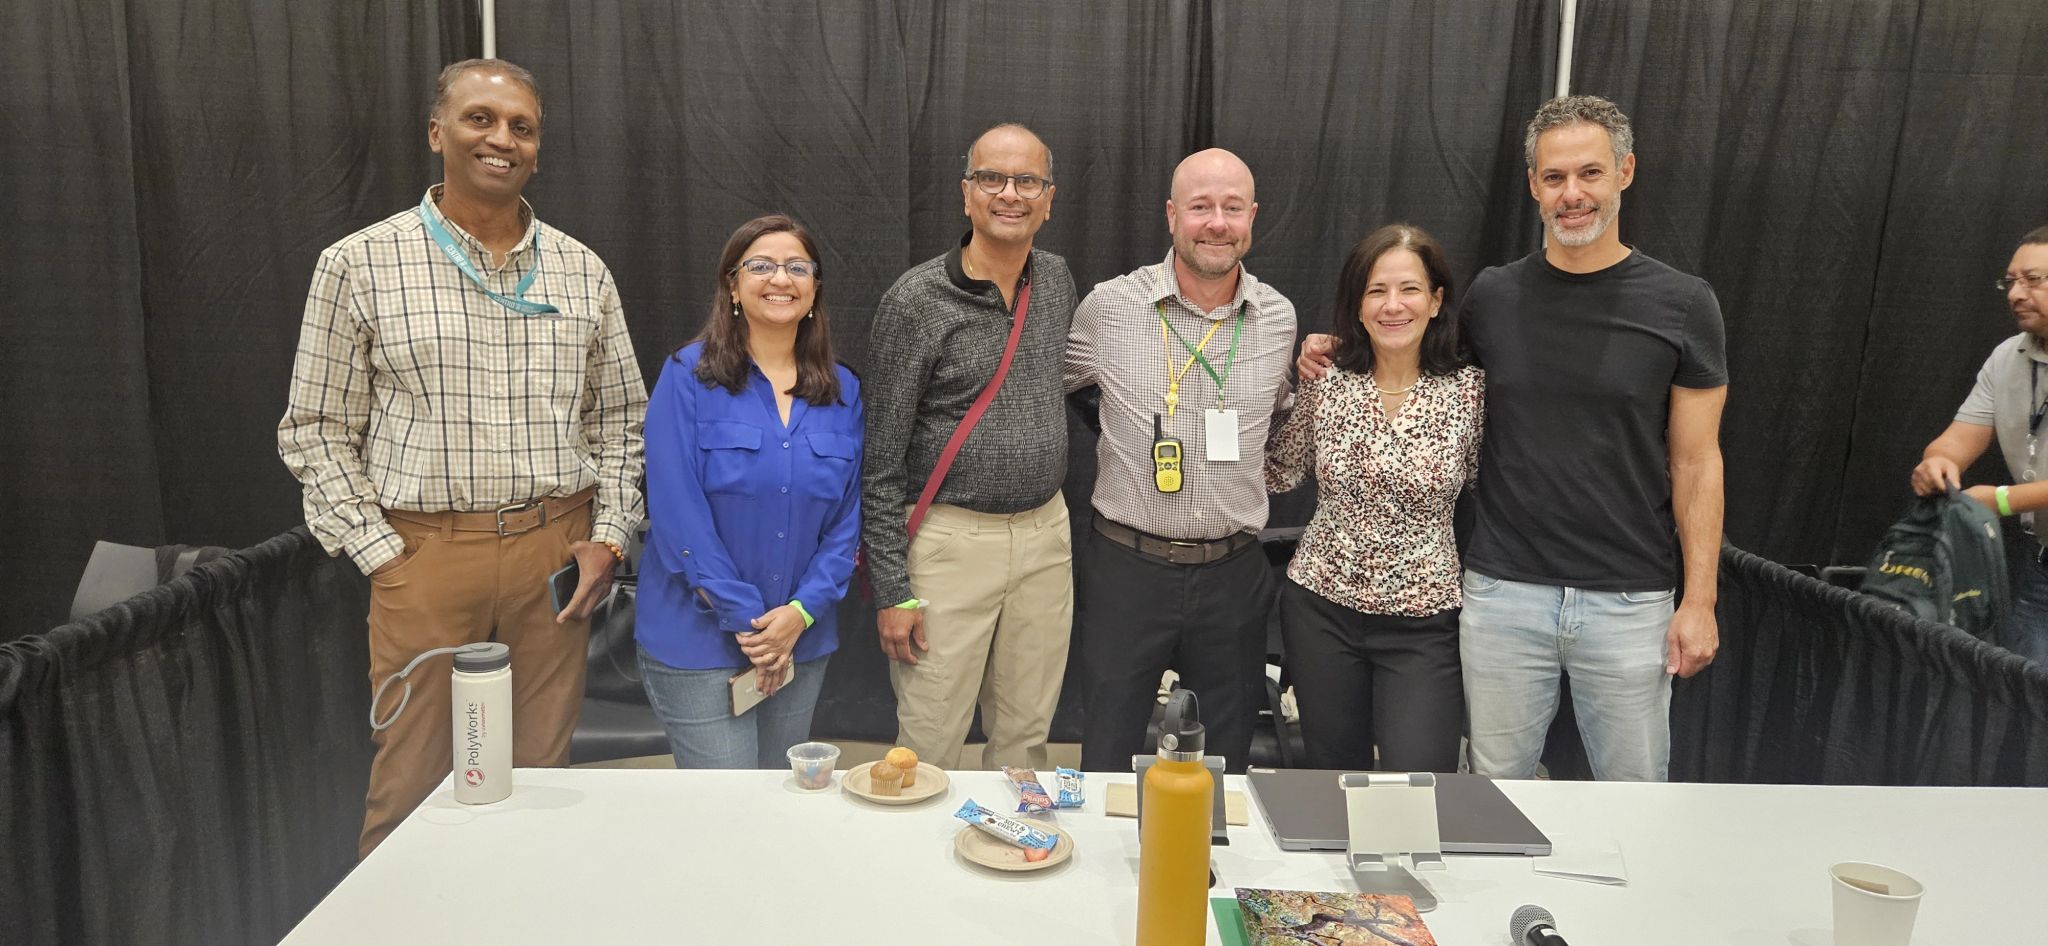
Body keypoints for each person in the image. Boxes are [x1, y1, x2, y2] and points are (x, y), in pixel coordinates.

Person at [277, 59, 646, 855]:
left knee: (540, 774)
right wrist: (383, 555)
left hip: (559, 553)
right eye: (480, 119)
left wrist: (610, 538)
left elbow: (623, 422)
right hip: (425, 555)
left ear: (538, 150)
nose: (501, 139)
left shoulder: (583, 271)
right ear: (438, 133)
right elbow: (313, 427)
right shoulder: (361, 263)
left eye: (521, 127)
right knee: (412, 781)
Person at [1301, 94, 1727, 782]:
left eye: (1589, 173)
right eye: (1554, 178)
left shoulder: (1683, 304)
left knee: (1635, 794)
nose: (1572, 194)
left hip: (1628, 599)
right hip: (1503, 595)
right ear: (1532, 186)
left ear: (1626, 172)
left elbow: (1697, 460)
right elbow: (1411, 362)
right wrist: (1332, 352)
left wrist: (1699, 601)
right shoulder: (1494, 297)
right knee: (1492, 798)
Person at [1064, 149, 1296, 773]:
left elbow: (1279, 428)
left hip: (1233, 573)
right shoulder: (1109, 308)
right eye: (1200, 207)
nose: (1216, 222)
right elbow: (1058, 391)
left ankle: (1206, 869)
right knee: (1107, 753)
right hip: (1127, 569)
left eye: (1231, 207)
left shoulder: (1277, 317)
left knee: (1225, 764)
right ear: (1171, 216)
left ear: (1252, 216)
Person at [861, 123, 1078, 770]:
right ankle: (919, 873)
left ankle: (1015, 862)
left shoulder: (1059, 281)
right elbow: (879, 465)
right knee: (929, 745)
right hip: (950, 546)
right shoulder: (915, 302)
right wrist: (893, 590)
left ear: (1049, 197)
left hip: (1045, 538)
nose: (1009, 193)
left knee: (1026, 741)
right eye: (991, 178)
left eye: (1027, 181)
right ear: (966, 194)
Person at [635, 215, 862, 767]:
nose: (779, 278)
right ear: (733, 286)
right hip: (698, 639)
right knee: (726, 813)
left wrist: (799, 615)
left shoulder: (842, 389)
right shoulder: (687, 376)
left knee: (781, 803)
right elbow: (675, 509)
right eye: (760, 266)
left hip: (800, 640)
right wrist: (749, 621)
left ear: (814, 290)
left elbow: (847, 520)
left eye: (796, 267)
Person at [1264, 224, 1481, 773]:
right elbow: (1279, 471)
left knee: (1420, 783)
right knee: (1335, 781)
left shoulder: (1472, 391)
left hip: (1424, 622)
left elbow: (1496, 486)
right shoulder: (1327, 381)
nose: (1392, 306)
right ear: (1356, 305)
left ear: (1436, 301)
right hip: (1321, 613)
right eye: (1376, 290)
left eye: (1409, 289)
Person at [1910, 226, 2048, 665]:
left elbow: (2001, 500)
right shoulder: (2008, 357)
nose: (2015, 294)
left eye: (2033, 280)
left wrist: (2002, 501)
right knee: (2025, 702)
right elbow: (1958, 439)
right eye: (2010, 281)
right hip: (2041, 566)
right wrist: (1937, 464)